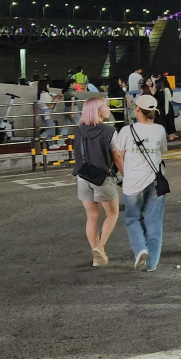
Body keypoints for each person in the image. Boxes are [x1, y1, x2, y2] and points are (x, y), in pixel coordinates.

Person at [112, 94, 169, 272]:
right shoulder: (159, 129)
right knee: (154, 222)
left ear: (137, 109)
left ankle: (140, 249)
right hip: (155, 181)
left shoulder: (126, 131)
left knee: (132, 219)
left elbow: (119, 154)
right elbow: (162, 150)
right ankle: (152, 264)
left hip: (133, 182)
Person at [73, 96, 118, 267]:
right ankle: (100, 247)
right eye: (106, 106)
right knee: (112, 214)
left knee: (92, 216)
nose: (109, 109)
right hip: (103, 177)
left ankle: (97, 256)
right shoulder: (109, 131)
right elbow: (117, 157)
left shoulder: (78, 131)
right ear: (98, 111)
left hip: (83, 176)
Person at [155, 74, 178, 139]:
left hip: (167, 107)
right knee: (170, 121)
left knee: (169, 121)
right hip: (168, 106)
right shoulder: (167, 89)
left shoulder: (165, 90)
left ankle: (171, 135)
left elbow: (168, 100)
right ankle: (171, 135)